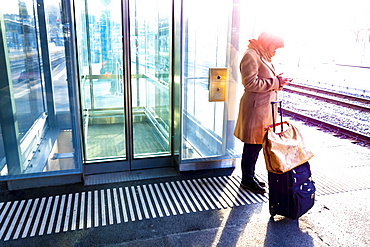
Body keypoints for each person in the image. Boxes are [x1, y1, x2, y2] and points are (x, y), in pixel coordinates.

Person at [234, 32, 292, 193]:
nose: (275, 51)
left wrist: (279, 82)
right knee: (252, 146)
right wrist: (276, 82)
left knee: (257, 145)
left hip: (263, 109)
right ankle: (247, 179)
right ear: (267, 43)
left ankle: (249, 176)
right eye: (274, 47)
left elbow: (267, 81)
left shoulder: (263, 55)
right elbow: (250, 83)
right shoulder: (251, 55)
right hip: (255, 109)